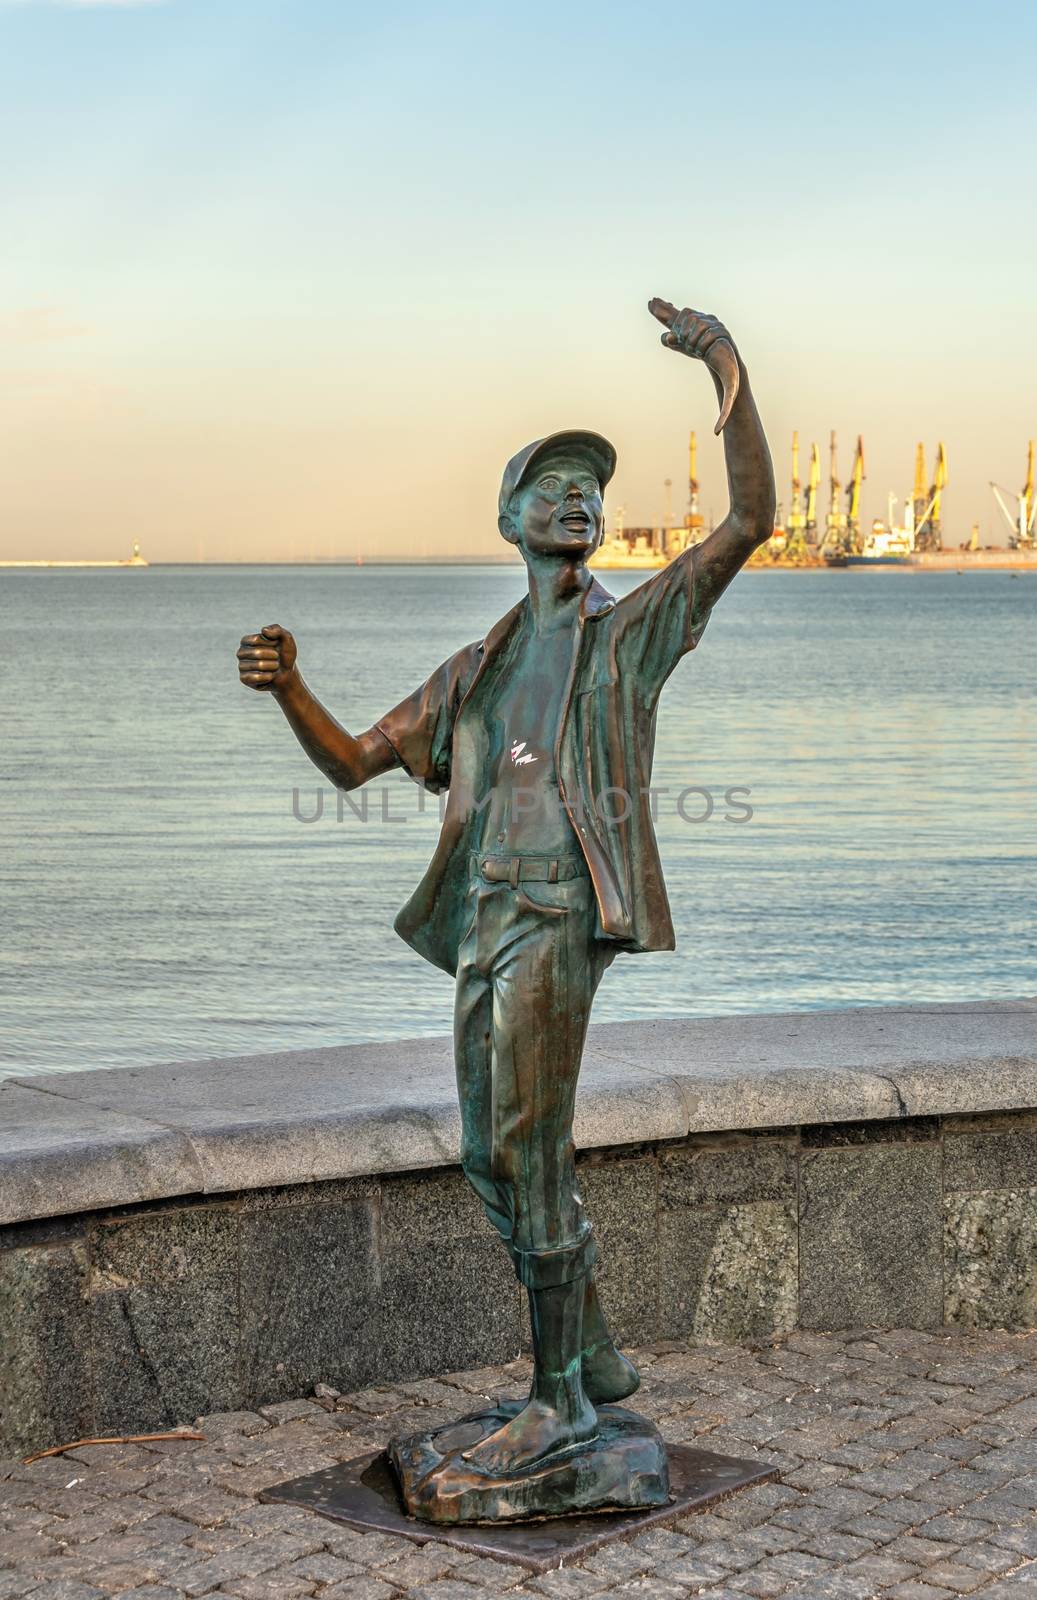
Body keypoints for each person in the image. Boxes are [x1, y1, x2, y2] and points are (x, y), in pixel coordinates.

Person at [237, 301, 775, 1478]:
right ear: (508, 520)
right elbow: (351, 762)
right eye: (551, 487)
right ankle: (589, 1359)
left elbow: (746, 519)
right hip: (482, 916)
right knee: (489, 1155)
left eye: (589, 488)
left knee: (530, 1149)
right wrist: (288, 687)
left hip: (555, 913)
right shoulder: (477, 667)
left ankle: (557, 1405)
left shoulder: (626, 634)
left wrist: (723, 364)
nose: (576, 500)